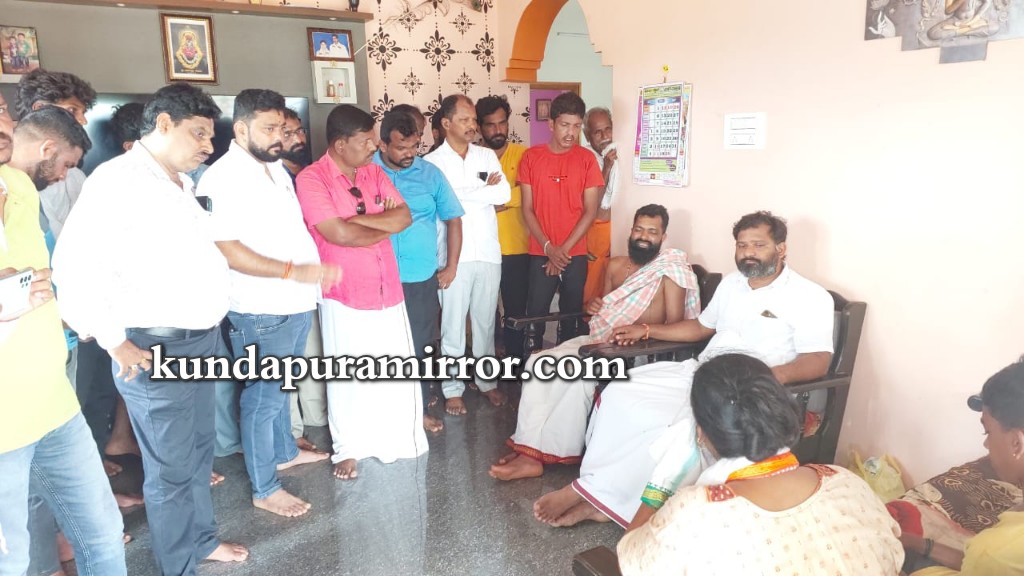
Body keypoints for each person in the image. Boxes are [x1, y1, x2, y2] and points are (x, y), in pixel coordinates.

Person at [53, 83, 250, 575]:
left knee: (198, 453)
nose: (208, 145)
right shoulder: (119, 180)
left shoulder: (180, 183)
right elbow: (73, 267)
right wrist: (114, 340)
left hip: (199, 341)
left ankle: (200, 541)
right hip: (155, 345)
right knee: (171, 467)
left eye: (210, 135)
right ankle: (179, 564)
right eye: (198, 133)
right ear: (163, 124)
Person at [531, 211, 835, 529]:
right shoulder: (732, 284)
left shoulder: (809, 296)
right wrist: (646, 330)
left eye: (758, 245)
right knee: (620, 393)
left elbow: (818, 359)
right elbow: (701, 327)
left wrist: (768, 378)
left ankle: (593, 497)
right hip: (703, 373)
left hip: (746, 392)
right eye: (742, 245)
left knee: (666, 425)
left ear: (781, 248)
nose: (748, 252)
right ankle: (602, 495)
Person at [617, 353, 905, 575]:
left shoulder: (697, 512)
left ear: (702, 432)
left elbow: (631, 561)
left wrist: (661, 485)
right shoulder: (846, 481)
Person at [0, 91, 126, 576]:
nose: (7, 123)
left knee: (103, 534)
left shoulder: (19, 185)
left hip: (54, 404)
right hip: (5, 425)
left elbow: (38, 280)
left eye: (4, 112)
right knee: (11, 560)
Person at [199, 89, 337, 518]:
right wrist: (293, 271)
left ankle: (283, 453)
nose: (280, 137)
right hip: (259, 308)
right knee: (262, 398)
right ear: (241, 129)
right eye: (269, 128)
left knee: (280, 389)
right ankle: (265, 487)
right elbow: (227, 249)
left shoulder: (274, 168)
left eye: (283, 128)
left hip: (293, 301)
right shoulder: (222, 178)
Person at [490, 204, 699, 481]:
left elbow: (676, 324)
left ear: (663, 237)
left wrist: (643, 331)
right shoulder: (615, 266)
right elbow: (602, 312)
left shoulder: (669, 272)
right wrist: (593, 306)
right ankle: (530, 449)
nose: (643, 236)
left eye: (652, 231)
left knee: (574, 374)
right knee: (540, 362)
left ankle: (544, 454)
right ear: (631, 231)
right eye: (639, 229)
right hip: (600, 340)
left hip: (638, 351)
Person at [296, 104, 427, 481]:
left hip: (388, 286)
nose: (374, 146)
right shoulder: (312, 178)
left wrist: (358, 223)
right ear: (341, 144)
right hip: (345, 290)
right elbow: (336, 233)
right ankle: (349, 447)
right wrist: (377, 225)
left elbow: (403, 217)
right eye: (366, 141)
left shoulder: (374, 172)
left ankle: (398, 438)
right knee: (349, 374)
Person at [375, 107, 464, 433]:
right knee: (381, 346)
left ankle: (420, 409)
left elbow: (454, 219)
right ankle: (385, 410)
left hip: (419, 277)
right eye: (402, 147)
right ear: (383, 145)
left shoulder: (430, 174)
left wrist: (451, 266)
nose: (410, 154)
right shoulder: (366, 172)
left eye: (414, 146)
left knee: (421, 345)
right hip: (376, 277)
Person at [425, 94, 511, 416]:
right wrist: (482, 192)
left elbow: (503, 193)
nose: (472, 125)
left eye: (474, 119)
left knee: (486, 322)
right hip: (452, 256)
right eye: (465, 119)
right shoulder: (432, 163)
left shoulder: (486, 156)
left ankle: (487, 382)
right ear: (446, 123)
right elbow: (439, 204)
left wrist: (459, 196)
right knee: (452, 324)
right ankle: (453, 388)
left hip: (487, 251)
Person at [899, 358, 1024, 576]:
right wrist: (919, 543)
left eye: (988, 432)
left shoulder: (995, 551)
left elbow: (984, 560)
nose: (986, 445)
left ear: (1017, 443)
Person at [520, 92, 603, 349]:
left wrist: (561, 252)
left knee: (571, 316)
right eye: (565, 125)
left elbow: (590, 210)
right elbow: (527, 209)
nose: (571, 133)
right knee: (536, 315)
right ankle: (531, 367)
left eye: (576, 126)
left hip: (574, 253)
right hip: (541, 251)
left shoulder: (587, 159)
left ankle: (566, 368)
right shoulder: (531, 157)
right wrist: (549, 249)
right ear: (551, 124)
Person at [476, 95, 530, 361]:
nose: (498, 130)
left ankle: (514, 365)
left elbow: (531, 194)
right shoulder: (473, 158)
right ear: (479, 127)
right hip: (483, 249)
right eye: (491, 124)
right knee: (483, 312)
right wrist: (503, 197)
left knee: (515, 312)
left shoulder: (524, 155)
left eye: (502, 123)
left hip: (517, 248)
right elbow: (468, 198)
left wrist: (496, 198)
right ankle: (484, 364)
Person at [581, 106, 618, 305]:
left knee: (610, 286)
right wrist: (607, 167)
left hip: (615, 230)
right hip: (595, 231)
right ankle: (586, 322)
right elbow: (593, 204)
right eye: (597, 132)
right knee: (591, 291)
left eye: (608, 129)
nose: (605, 136)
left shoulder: (616, 150)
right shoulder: (584, 159)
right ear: (588, 135)